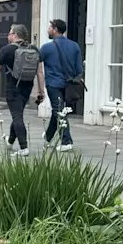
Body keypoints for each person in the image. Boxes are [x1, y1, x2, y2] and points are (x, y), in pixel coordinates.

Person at [0, 23, 45, 156]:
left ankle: (24, 147)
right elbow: (40, 72)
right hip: (27, 87)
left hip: (12, 87)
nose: (8, 36)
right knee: (18, 113)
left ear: (15, 35)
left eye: (9, 33)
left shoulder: (6, 50)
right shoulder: (35, 50)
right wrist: (41, 91)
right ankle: (10, 141)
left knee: (17, 116)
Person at [39, 18, 84, 152]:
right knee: (58, 110)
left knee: (58, 111)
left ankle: (66, 141)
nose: (48, 30)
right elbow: (79, 70)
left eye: (50, 28)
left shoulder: (46, 48)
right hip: (69, 84)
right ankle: (48, 137)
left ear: (55, 30)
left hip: (53, 83)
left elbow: (36, 64)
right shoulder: (74, 46)